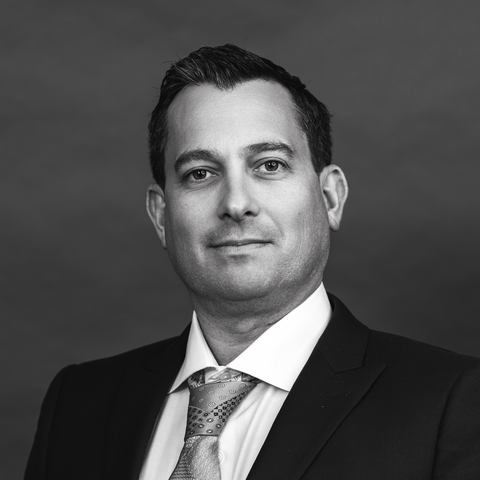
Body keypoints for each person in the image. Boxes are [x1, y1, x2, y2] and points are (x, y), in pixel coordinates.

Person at [25, 44, 480, 480]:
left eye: (269, 165)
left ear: (330, 197)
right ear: (162, 216)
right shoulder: (77, 403)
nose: (236, 203)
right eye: (200, 173)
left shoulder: (453, 402)